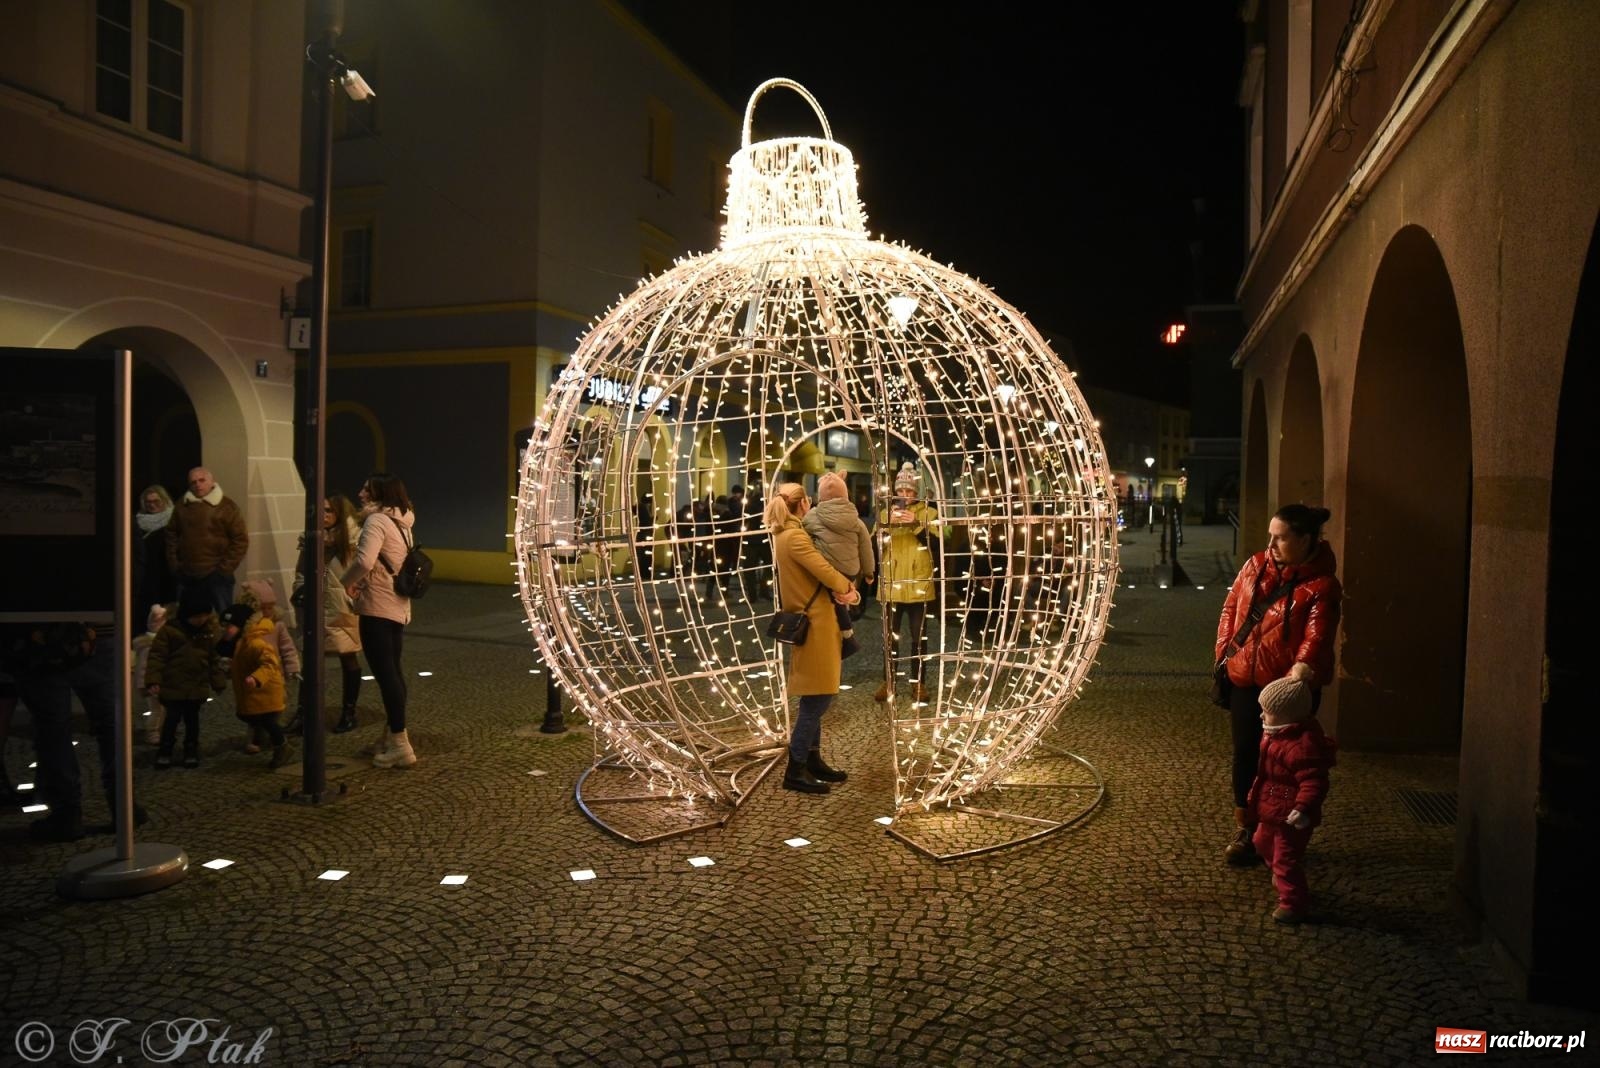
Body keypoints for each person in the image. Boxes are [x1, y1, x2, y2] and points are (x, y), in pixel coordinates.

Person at [1214, 503, 1341, 866]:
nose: (1271, 544)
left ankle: (1281, 832)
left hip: (1286, 694)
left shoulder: (1322, 586)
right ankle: (1245, 827)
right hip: (1243, 679)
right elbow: (1230, 607)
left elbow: (1317, 637)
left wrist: (1297, 677)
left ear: (1305, 540)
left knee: (1282, 765)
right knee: (1245, 752)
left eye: (1281, 538)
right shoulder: (1255, 565)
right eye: (1270, 536)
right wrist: (1224, 651)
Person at [3, 619, 147, 839]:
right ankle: (124, 805)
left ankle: (67, 813)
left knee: (53, 729)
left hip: (37, 633)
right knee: (111, 723)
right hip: (98, 630)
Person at [767, 482, 860, 794]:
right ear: (803, 504)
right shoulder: (795, 537)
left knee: (814, 694)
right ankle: (795, 769)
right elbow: (825, 571)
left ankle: (812, 760)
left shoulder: (784, 534)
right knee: (817, 701)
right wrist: (850, 590)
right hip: (817, 623)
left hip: (813, 621)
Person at [1246, 676, 1337, 924]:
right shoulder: (1277, 735)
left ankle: (1294, 903)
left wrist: (1302, 808)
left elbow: (1313, 782)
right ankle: (1278, 870)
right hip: (1272, 808)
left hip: (1290, 816)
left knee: (1285, 859)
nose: (1262, 717)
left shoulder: (1300, 747)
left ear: (1289, 716)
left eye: (1268, 712)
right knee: (1261, 842)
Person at [344, 472, 418, 768]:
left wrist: (345, 581)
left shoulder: (376, 522)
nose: (361, 493)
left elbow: (364, 560)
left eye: (366, 489)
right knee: (393, 672)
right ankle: (392, 735)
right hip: (398, 606)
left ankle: (400, 743)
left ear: (379, 494)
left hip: (377, 605)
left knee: (386, 673)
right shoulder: (403, 524)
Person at [292, 495, 364, 734]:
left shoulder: (352, 541)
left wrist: (351, 598)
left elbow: (361, 573)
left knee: (348, 656)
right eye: (320, 510)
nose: (322, 515)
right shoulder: (311, 539)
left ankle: (349, 712)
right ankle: (304, 714)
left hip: (340, 606)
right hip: (314, 606)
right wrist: (300, 591)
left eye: (328, 511)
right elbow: (301, 571)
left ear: (340, 514)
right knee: (311, 661)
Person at [876, 462, 941, 703]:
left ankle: (919, 684)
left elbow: (936, 546)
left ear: (917, 492)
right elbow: (876, 547)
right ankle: (889, 682)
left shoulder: (930, 513)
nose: (905, 496)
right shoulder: (884, 514)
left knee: (918, 638)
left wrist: (915, 524)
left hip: (919, 584)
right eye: (901, 491)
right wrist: (887, 527)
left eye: (910, 492)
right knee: (889, 638)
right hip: (892, 584)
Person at [145, 585, 228, 769]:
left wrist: (218, 682)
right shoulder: (170, 631)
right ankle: (165, 749)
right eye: (196, 616)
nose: (200, 620)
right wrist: (153, 679)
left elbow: (213, 659)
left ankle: (191, 749)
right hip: (173, 685)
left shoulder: (208, 632)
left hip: (196, 686)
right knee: (171, 720)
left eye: (204, 615)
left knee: (193, 721)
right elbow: (157, 657)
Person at [801, 472, 875, 658]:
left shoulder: (813, 516)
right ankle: (847, 634)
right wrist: (869, 571)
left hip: (827, 570)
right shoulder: (856, 519)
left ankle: (847, 636)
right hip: (850, 570)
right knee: (842, 600)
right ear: (846, 495)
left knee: (836, 600)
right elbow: (866, 546)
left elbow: (801, 532)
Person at [219, 603, 294, 769]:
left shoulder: (255, 644)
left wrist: (256, 677)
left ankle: (282, 747)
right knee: (256, 718)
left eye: (229, 626)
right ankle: (263, 742)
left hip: (265, 691)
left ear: (242, 625)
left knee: (268, 722)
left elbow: (270, 663)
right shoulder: (241, 643)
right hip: (255, 692)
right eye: (223, 626)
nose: (225, 630)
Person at [166, 466, 249, 617]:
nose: (197, 484)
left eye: (202, 480)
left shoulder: (226, 506)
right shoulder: (181, 506)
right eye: (193, 482)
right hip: (187, 574)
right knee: (187, 619)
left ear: (212, 481)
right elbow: (171, 535)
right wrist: (175, 565)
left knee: (224, 619)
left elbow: (240, 540)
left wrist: (224, 569)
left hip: (216, 575)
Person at [239, 580, 300, 748]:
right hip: (253, 675)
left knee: (274, 708)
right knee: (254, 709)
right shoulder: (247, 629)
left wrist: (292, 668)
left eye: (270, 607)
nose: (267, 612)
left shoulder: (277, 626)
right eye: (263, 608)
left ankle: (269, 736)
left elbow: (288, 649)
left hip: (275, 676)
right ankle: (254, 737)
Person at [132, 484, 176, 615]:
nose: (152, 505)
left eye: (156, 501)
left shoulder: (174, 520)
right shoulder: (136, 522)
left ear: (164, 500)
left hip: (168, 574)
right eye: (148, 502)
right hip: (145, 575)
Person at [131, 603, 168, 745]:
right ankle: (153, 732)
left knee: (159, 709)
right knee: (157, 709)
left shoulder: (153, 643)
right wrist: (144, 684)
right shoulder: (151, 645)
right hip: (154, 683)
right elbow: (143, 667)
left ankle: (153, 729)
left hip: (158, 681)